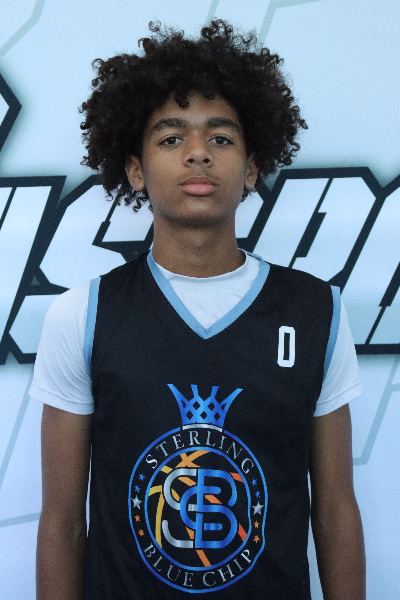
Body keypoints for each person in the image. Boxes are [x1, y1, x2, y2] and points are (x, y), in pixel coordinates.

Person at [31, 20, 366, 600]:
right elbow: (61, 522)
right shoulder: (81, 315)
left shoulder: (317, 311)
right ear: (135, 169)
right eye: (170, 139)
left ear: (252, 167)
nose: (197, 154)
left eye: (221, 138)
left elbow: (335, 509)